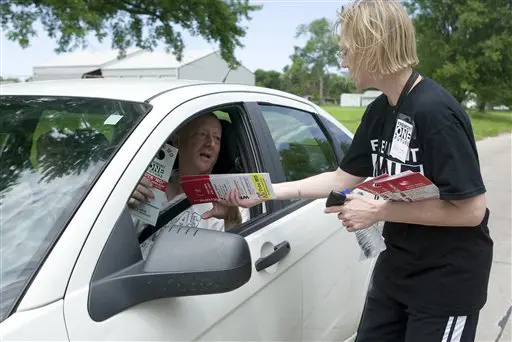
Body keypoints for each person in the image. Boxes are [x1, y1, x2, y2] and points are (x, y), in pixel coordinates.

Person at [219, 1, 493, 341]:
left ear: (371, 48)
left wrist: (380, 210)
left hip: (446, 282)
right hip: (396, 269)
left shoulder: (435, 112)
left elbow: (471, 211)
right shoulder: (380, 111)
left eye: (347, 51)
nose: (343, 61)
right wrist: (267, 191)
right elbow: (340, 179)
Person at [128, 112, 250, 258]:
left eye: (217, 138)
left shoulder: (231, 201)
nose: (210, 143)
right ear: (177, 140)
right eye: (202, 134)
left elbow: (232, 262)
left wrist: (232, 220)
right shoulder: (147, 183)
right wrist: (123, 205)